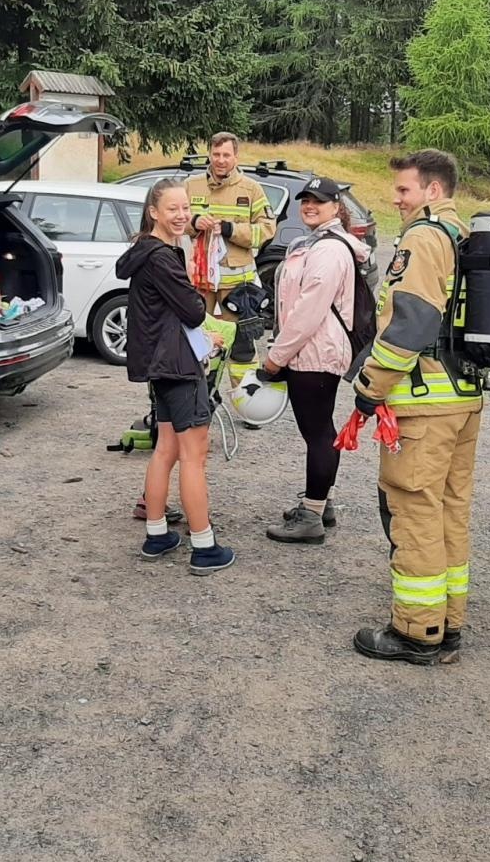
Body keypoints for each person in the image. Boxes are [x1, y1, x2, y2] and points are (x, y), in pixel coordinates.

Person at [349, 150, 483, 666]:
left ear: (433, 190)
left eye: (404, 190)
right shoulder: (462, 235)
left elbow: (411, 323)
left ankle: (417, 631)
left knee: (415, 512)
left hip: (425, 403)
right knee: (449, 511)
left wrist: (371, 387)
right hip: (461, 397)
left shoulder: (424, 237)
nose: (395, 199)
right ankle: (448, 622)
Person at [115, 178, 235, 576]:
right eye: (173, 209)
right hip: (179, 366)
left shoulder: (145, 251)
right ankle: (204, 545)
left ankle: (156, 534)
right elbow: (193, 311)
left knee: (165, 449)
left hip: (160, 366)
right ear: (154, 212)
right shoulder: (162, 257)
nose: (182, 215)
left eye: (186, 207)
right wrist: (206, 329)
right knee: (193, 456)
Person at [259, 178, 371, 543]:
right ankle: (322, 503)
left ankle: (311, 516)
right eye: (305, 199)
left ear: (336, 207)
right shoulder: (317, 243)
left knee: (319, 434)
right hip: (312, 350)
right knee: (319, 430)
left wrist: (276, 357)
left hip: (315, 353)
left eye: (319, 201)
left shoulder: (329, 250)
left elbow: (308, 311)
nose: (309, 205)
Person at [186, 133, 276, 385]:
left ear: (236, 157)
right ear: (209, 154)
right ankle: (202, 397)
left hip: (237, 289)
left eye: (226, 155)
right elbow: (175, 221)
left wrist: (230, 229)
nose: (221, 160)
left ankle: (246, 399)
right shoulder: (191, 185)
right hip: (200, 284)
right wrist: (194, 222)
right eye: (216, 154)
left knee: (242, 348)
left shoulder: (251, 189)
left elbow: (267, 230)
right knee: (199, 340)